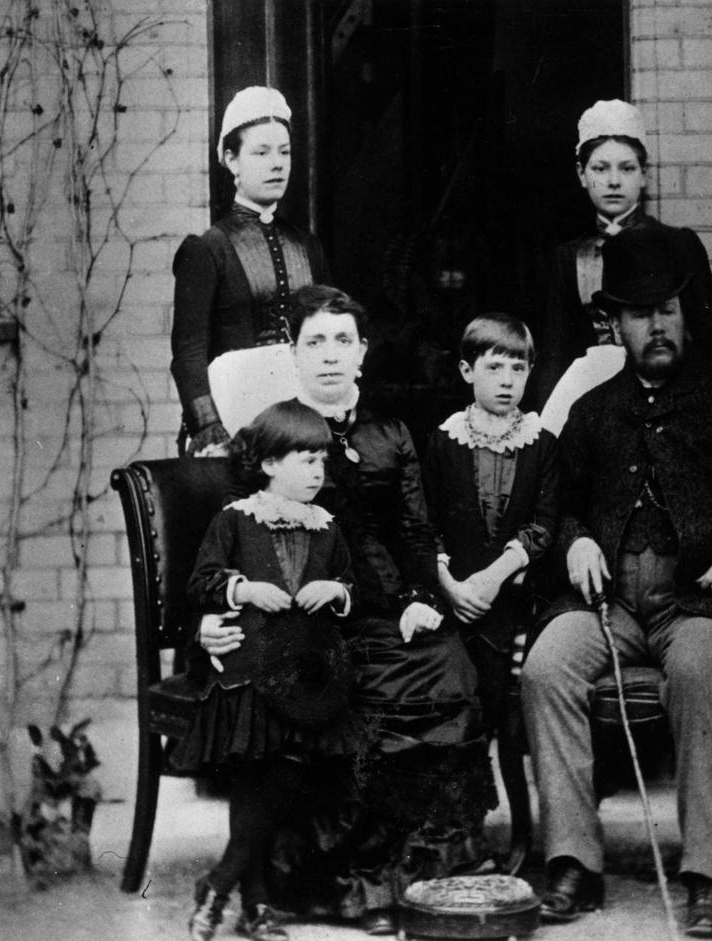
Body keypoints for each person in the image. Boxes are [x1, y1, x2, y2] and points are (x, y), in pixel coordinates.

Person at [521, 227, 712, 938]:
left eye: (666, 310)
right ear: (615, 325)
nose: (655, 326)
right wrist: (578, 541)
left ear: (686, 313)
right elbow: (557, 504)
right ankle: (572, 861)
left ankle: (707, 876)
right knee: (544, 666)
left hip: (700, 604)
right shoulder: (594, 412)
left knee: (693, 673)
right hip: (609, 603)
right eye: (638, 314)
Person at [200, 285, 491, 936]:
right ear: (295, 355)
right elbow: (241, 532)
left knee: (451, 672)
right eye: (314, 342)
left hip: (385, 608)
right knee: (357, 696)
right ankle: (347, 881)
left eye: (342, 340)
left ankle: (404, 874)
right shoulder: (275, 432)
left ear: (361, 351)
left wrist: (419, 597)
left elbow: (416, 530)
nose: (329, 355)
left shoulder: (390, 432)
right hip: (307, 621)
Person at [173, 400, 360, 941]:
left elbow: (356, 587)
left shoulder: (327, 528)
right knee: (260, 771)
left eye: (322, 461)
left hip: (306, 679)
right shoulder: (235, 521)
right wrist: (243, 587)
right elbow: (200, 583)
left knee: (277, 773)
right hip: (248, 671)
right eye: (305, 460)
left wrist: (338, 591)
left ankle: (221, 884)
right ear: (270, 463)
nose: (317, 472)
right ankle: (251, 903)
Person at [532, 98, 712, 413]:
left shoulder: (679, 245)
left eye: (627, 168)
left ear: (644, 174)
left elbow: (708, 344)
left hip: (672, 396)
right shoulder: (569, 258)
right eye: (600, 168)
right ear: (582, 174)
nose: (613, 181)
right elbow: (556, 353)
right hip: (594, 400)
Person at [171, 86, 329, 456]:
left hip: (300, 424)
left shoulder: (307, 246)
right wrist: (210, 430)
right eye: (261, 152)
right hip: (233, 424)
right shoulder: (208, 249)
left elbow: (330, 334)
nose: (278, 163)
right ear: (232, 160)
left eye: (285, 152)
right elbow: (188, 354)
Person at [421, 313, 558, 740]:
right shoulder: (444, 441)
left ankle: (507, 772)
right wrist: (449, 585)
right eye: (493, 367)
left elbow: (544, 523)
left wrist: (496, 576)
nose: (507, 380)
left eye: (518, 368)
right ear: (467, 371)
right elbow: (425, 522)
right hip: (453, 594)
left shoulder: (541, 443)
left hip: (514, 597)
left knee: (501, 691)